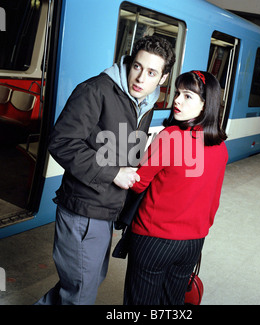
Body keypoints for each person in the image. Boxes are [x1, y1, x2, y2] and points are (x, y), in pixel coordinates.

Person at [35, 36, 176, 305]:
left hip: (106, 211)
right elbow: (62, 143)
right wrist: (113, 173)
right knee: (80, 294)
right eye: (137, 66)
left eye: (151, 72)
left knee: (81, 286)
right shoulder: (95, 90)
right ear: (128, 62)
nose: (140, 78)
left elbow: (124, 154)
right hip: (83, 211)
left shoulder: (145, 103)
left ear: (163, 78)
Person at [123, 70, 228, 305]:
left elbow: (138, 185)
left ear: (205, 104)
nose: (177, 100)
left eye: (188, 96)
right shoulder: (220, 146)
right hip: (193, 242)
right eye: (178, 93)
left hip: (154, 238)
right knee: (172, 302)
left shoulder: (170, 137)